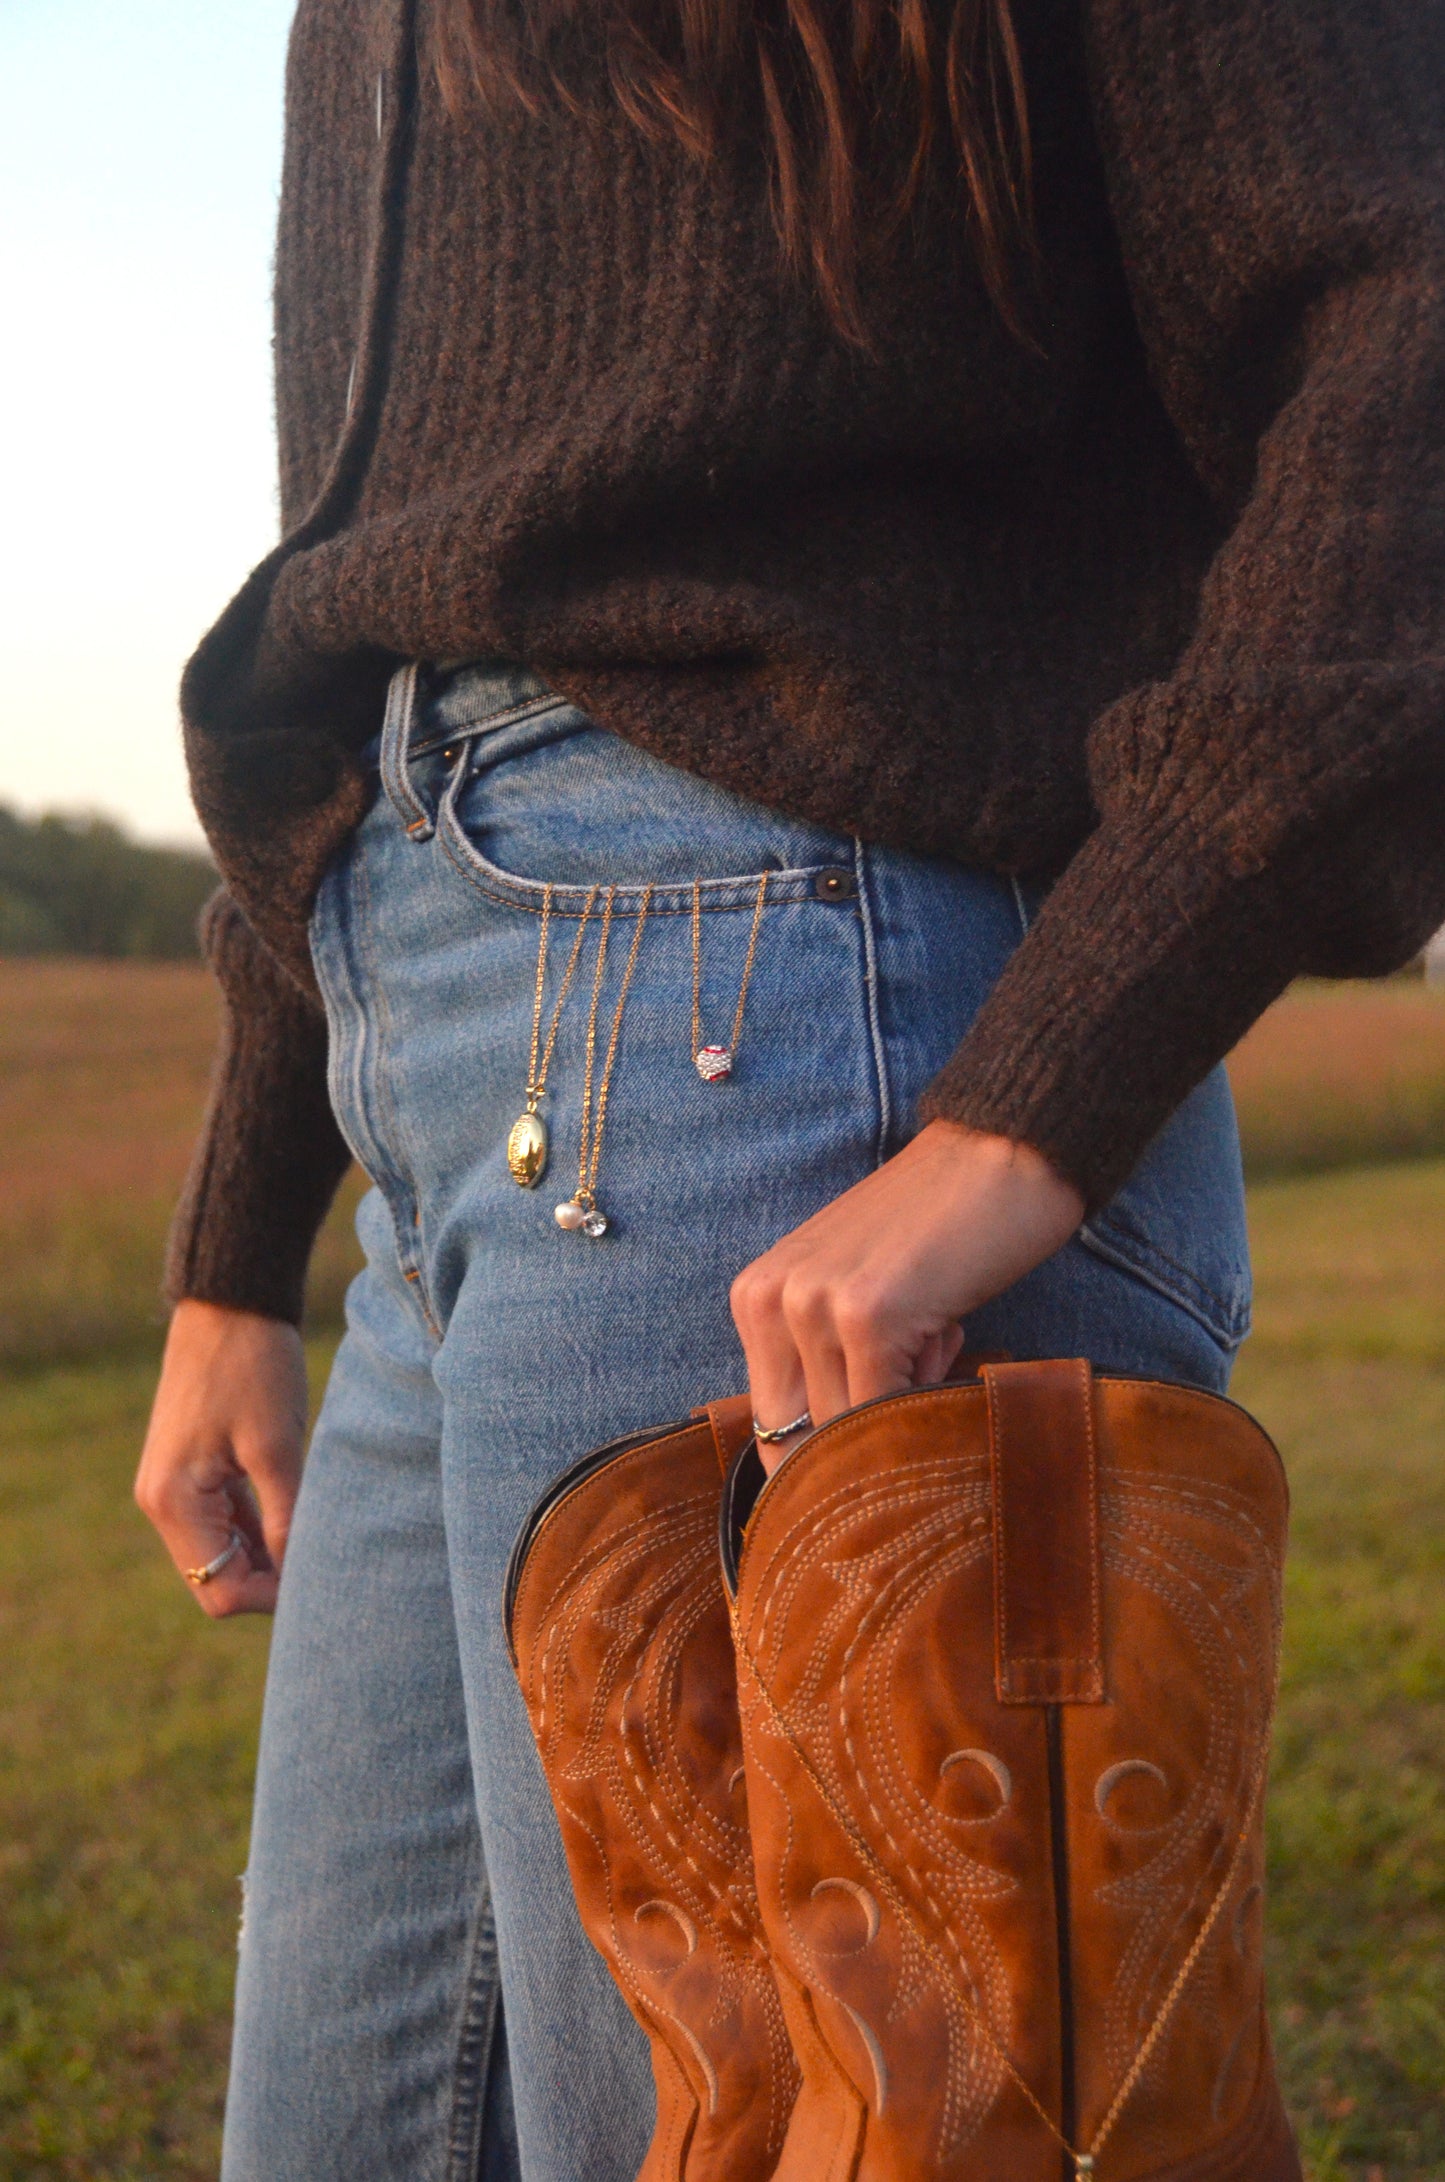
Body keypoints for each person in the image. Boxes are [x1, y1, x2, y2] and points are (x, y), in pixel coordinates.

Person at [134, 0, 1445, 2175]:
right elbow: (383, 566)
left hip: (802, 1016)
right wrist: (239, 1238)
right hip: (444, 1071)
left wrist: (1043, 1089)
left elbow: (1404, 311)